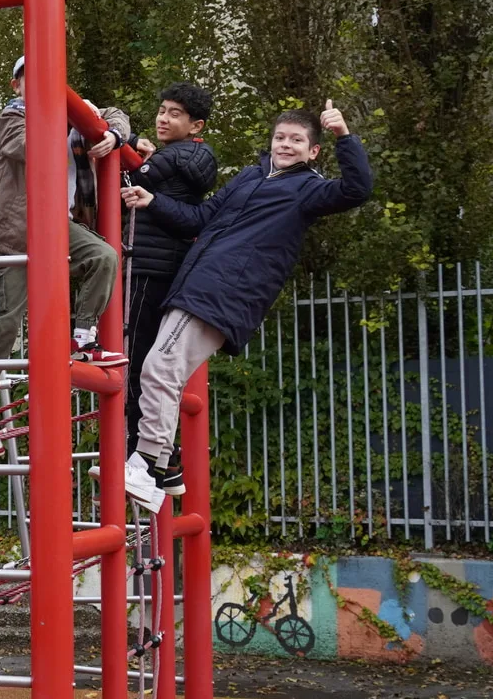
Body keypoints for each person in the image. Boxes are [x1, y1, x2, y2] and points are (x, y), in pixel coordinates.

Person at [119, 102, 372, 511]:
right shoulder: (250, 177)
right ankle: (161, 469)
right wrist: (153, 201)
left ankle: (147, 464)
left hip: (223, 293)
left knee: (159, 367)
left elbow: (357, 189)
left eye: (296, 140)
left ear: (313, 152)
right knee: (162, 370)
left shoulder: (308, 190)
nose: (286, 145)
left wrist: (344, 135)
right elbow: (201, 217)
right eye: (280, 137)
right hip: (199, 284)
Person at [0, 56, 130, 455]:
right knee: (9, 319)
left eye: (47, 80)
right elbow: (31, 148)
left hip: (57, 225)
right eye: (28, 80)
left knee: (103, 256)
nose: (37, 87)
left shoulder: (73, 112)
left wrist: (114, 134)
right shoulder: (11, 118)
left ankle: (83, 339)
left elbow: (115, 114)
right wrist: (80, 122)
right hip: (19, 230)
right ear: (16, 86)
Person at [122, 83, 218, 452]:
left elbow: (148, 177)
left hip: (153, 267)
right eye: (162, 110)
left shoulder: (192, 155)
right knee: (141, 358)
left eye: (174, 113)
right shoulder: (169, 160)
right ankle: (156, 449)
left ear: (196, 126)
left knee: (138, 359)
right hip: (146, 263)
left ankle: (140, 447)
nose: (163, 118)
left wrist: (140, 159)